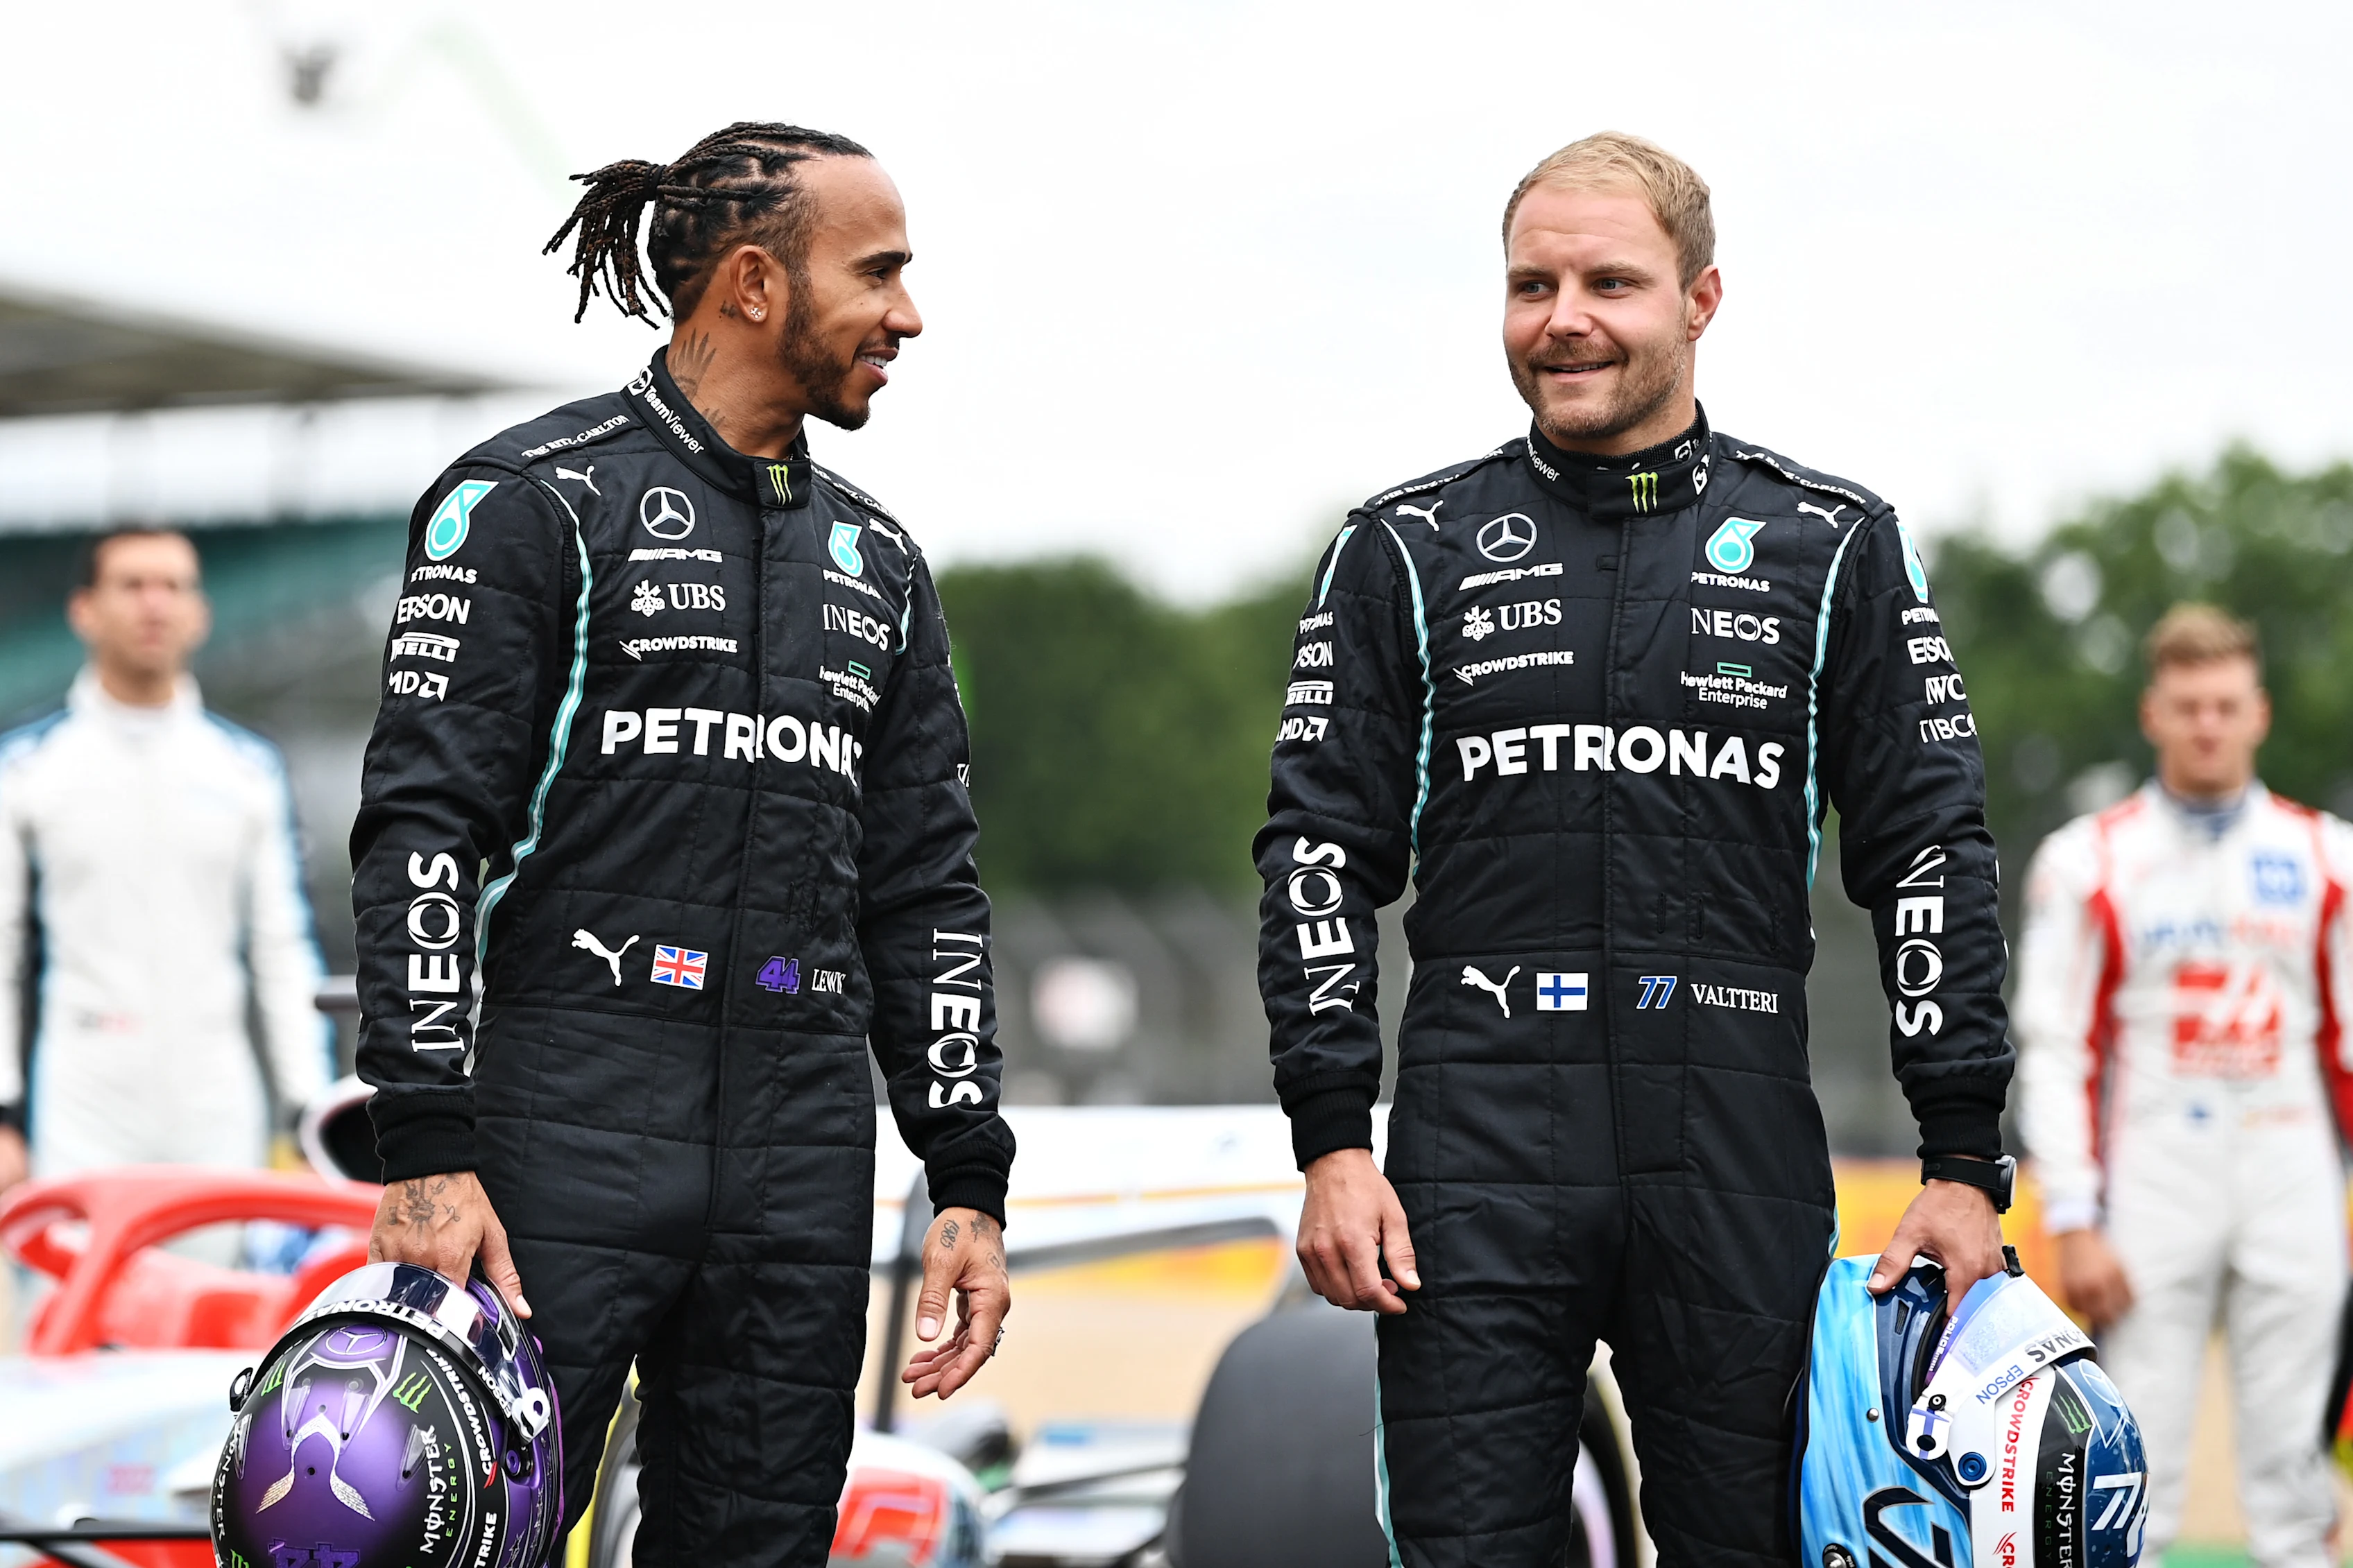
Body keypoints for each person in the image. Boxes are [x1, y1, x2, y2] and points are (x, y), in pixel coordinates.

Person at [1255, 132, 2015, 1568]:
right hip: (1472, 1147)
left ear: (1701, 299)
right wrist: (1334, 1138)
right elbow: (1313, 853)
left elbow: (1930, 849)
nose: (1565, 318)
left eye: (1610, 280)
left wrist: (1964, 1153)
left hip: (1730, 1133)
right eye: (1530, 284)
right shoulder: (1404, 546)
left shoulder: (1831, 540)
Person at [351, 121, 1015, 1566]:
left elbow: (926, 890)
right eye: (880, 272)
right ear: (757, 284)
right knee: (454, 1537)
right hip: (551, 1131)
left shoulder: (883, 562)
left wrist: (966, 1169)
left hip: (798, 1145)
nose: (909, 313)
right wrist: (424, 1143)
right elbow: (421, 829)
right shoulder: (531, 500)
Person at [2017, 604, 2348, 1568]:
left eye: (2226, 705)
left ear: (2261, 714)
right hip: (2155, 1173)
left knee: (2294, 1476)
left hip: (2292, 1168)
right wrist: (2074, 1216)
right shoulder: (2091, 859)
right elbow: (2054, 1044)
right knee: (2134, 1468)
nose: (2209, 723)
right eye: (2189, 705)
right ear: (2154, 714)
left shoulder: (2330, 856)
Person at [0, 528, 331, 1194]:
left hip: (216, 1104)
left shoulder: (247, 769)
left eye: (174, 586)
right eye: (133, 585)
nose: (155, 605)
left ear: (199, 613)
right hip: (78, 1104)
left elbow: (281, 946)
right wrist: (3, 1112)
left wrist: (306, 1111)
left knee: (222, 1301)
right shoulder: (26, 766)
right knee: (74, 1301)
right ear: (85, 609)